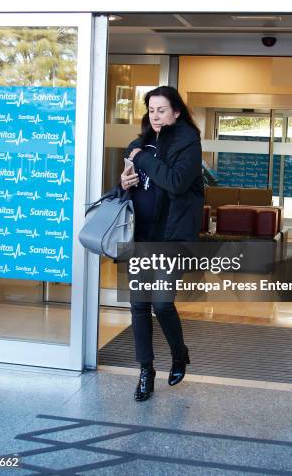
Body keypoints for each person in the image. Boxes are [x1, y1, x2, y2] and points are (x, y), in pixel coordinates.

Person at [120, 85, 204, 402]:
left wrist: (142, 159)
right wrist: (125, 180)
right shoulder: (139, 144)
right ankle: (145, 372)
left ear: (176, 112)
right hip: (140, 236)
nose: (155, 116)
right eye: (151, 110)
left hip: (171, 238)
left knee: (162, 303)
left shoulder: (188, 144)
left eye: (162, 110)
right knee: (139, 306)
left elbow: (175, 182)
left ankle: (179, 353)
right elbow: (128, 182)